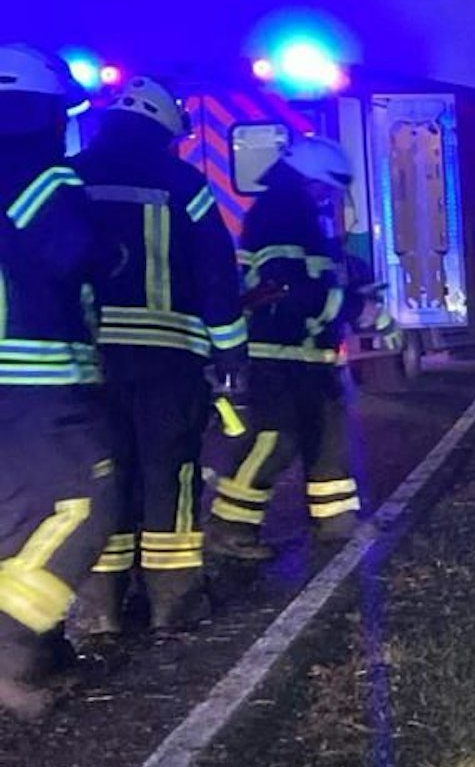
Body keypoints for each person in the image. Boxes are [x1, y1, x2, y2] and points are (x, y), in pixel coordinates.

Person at [70, 75, 247, 632]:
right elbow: (215, 274)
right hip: (167, 359)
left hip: (85, 361)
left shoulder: (69, 178)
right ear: (166, 129)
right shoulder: (183, 182)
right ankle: (173, 601)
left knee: (104, 474)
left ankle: (102, 609)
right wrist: (231, 354)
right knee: (167, 471)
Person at [0, 44, 119, 719]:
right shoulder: (43, 176)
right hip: (33, 370)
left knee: (14, 513)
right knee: (85, 499)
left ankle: (38, 653)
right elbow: (74, 252)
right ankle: (11, 648)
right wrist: (113, 250)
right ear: (42, 112)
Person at [207, 136, 374, 560]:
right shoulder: (280, 214)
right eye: (329, 189)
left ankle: (335, 522)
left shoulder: (293, 212)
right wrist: (352, 307)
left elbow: (311, 277)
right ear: (313, 179)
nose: (331, 198)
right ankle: (229, 526)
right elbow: (289, 285)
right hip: (278, 351)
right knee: (274, 439)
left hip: (304, 352)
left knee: (326, 436)